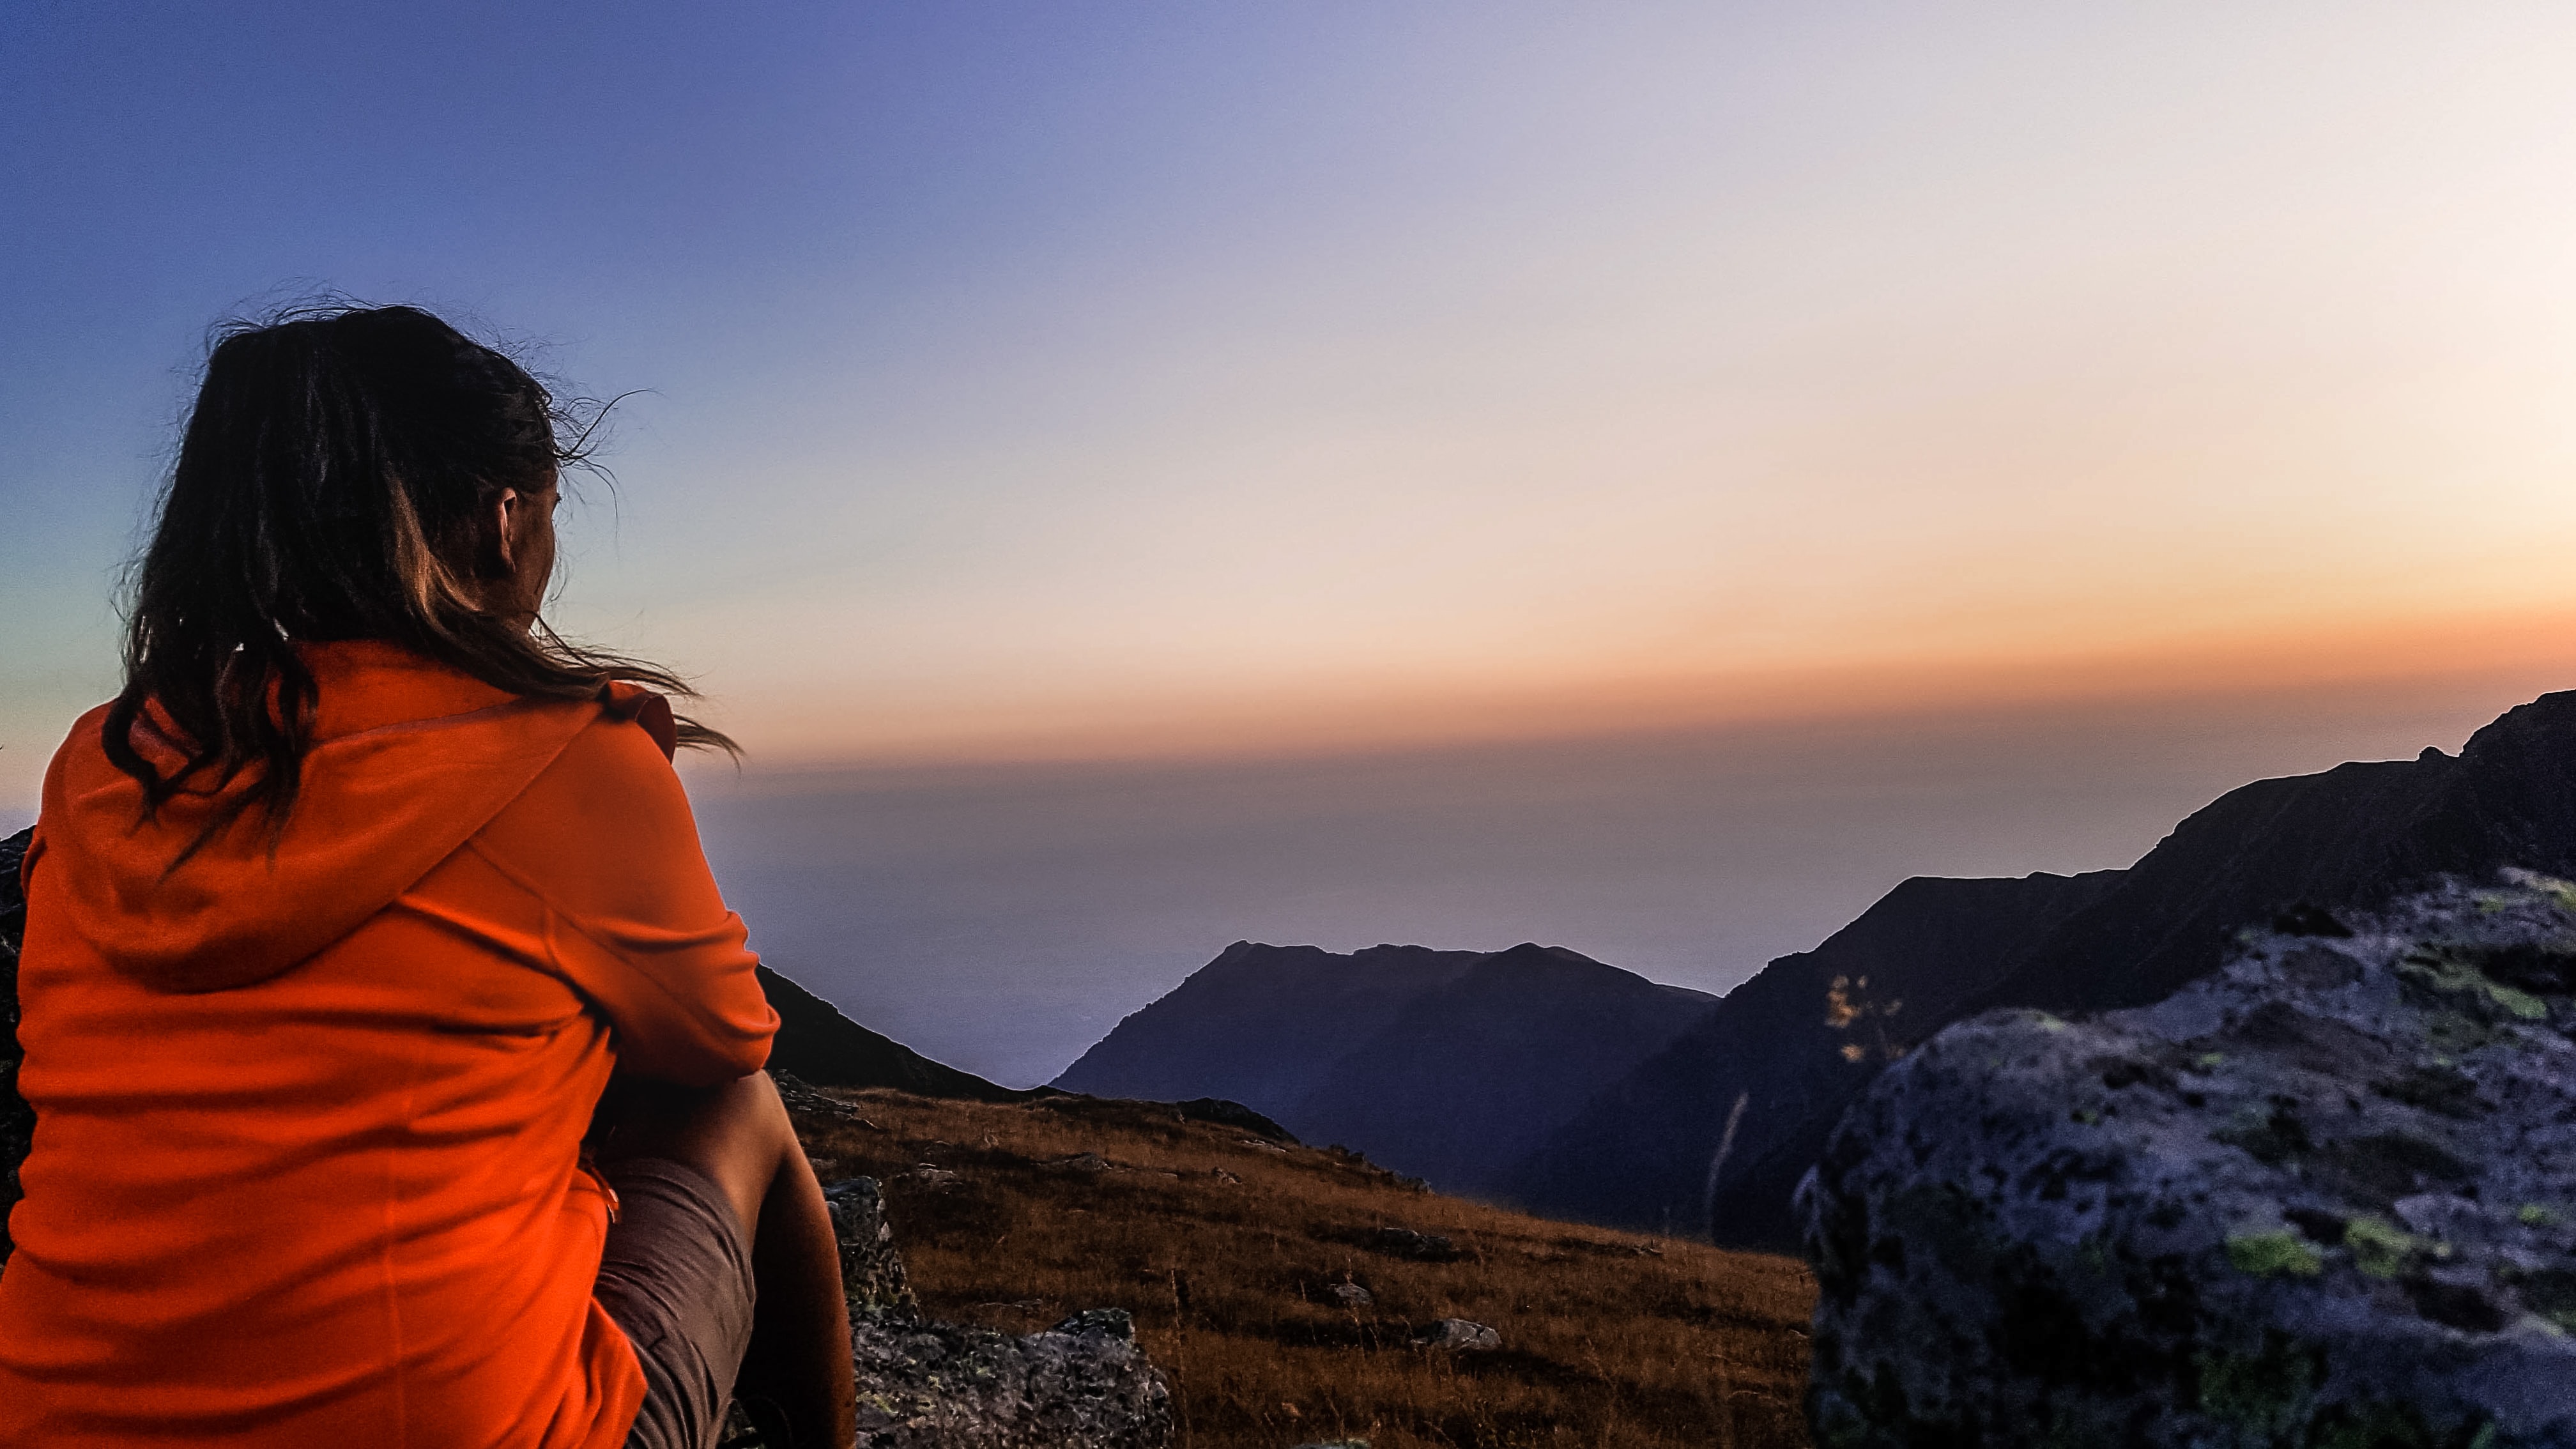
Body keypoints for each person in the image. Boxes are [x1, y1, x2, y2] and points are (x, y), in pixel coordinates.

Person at [0, 304, 857, 1449]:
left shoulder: (107, 769)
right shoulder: (566, 758)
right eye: (550, 515)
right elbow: (724, 1042)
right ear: (505, 521)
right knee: (739, 1110)